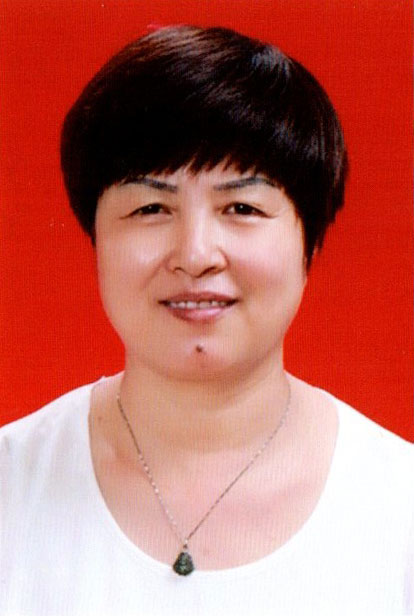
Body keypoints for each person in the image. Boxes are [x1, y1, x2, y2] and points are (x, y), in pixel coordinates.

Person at [1, 25, 413, 616]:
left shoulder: (400, 507)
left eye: (241, 207)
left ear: (309, 243)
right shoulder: (12, 486)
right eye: (151, 207)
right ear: (96, 239)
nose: (195, 255)